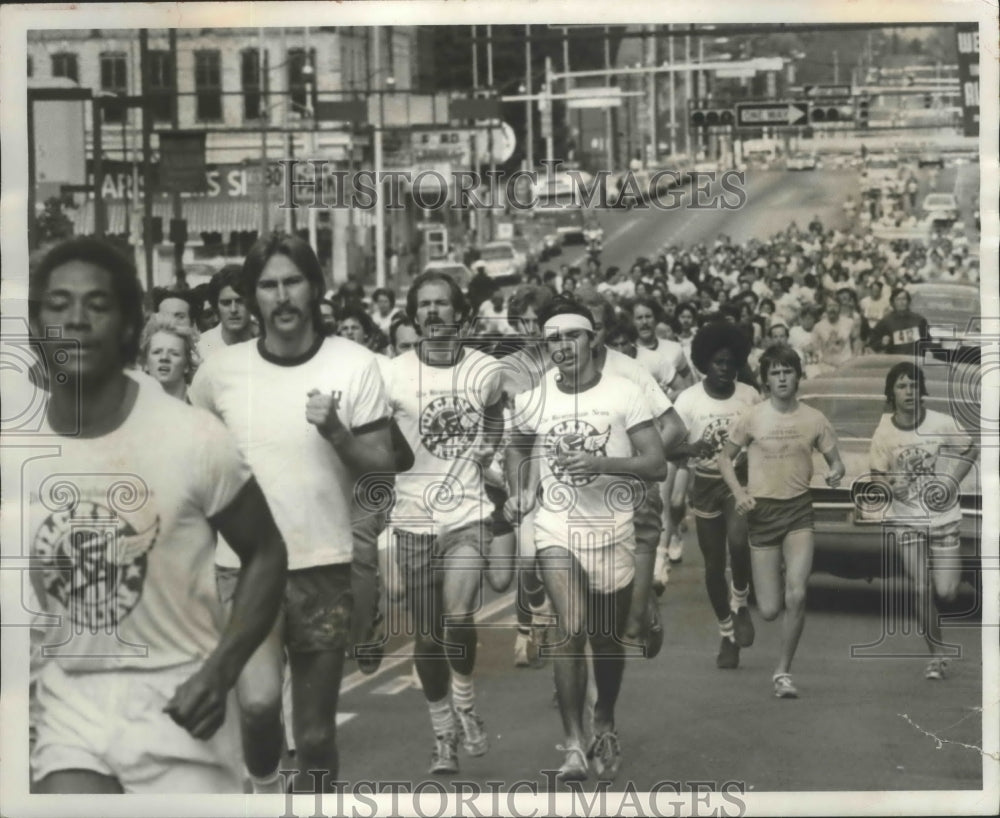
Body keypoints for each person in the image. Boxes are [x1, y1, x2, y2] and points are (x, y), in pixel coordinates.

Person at [22, 237, 287, 793]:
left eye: (97, 305)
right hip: (69, 703)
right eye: (58, 304)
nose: (75, 320)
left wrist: (221, 671)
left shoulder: (191, 437)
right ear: (34, 323)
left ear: (127, 326)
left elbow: (266, 551)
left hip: (179, 703)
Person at [189, 233, 401, 793]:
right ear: (252, 297)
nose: (281, 296)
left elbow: (381, 467)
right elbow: (193, 471)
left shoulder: (354, 364)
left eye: (292, 282)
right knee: (258, 706)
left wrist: (337, 433)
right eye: (268, 285)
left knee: (313, 737)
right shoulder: (218, 375)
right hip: (246, 566)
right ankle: (263, 791)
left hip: (324, 563)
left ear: (313, 289)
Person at [505, 301, 668, 781]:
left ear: (592, 340)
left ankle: (605, 718)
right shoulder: (535, 398)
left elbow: (656, 463)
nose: (562, 348)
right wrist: (519, 489)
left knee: (607, 640)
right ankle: (574, 743)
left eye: (571, 337)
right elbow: (516, 447)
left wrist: (603, 465)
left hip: (613, 530)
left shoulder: (624, 393)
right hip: (557, 527)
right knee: (570, 627)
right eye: (553, 339)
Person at [381, 270, 505, 774]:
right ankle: (443, 732)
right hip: (411, 519)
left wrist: (487, 448)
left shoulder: (484, 370)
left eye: (442, 304)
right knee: (429, 637)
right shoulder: (390, 375)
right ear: (415, 316)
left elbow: (496, 412)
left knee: (458, 617)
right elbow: (372, 439)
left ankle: (467, 701)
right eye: (424, 305)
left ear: (460, 315)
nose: (433, 312)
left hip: (467, 514)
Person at [718, 345, 845, 699]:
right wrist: (739, 493)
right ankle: (745, 598)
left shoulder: (814, 419)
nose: (782, 378)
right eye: (775, 372)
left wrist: (835, 472)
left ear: (798, 376)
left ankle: (783, 671)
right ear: (766, 381)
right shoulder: (752, 418)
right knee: (771, 609)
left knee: (798, 593)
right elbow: (725, 459)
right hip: (762, 514)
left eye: (788, 370)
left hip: (799, 511)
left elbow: (837, 461)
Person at [869, 362, 979, 680]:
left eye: (914, 385)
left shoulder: (941, 423)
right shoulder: (884, 432)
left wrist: (951, 483)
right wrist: (891, 485)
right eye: (902, 386)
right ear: (891, 393)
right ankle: (936, 655)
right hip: (906, 521)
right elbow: (876, 480)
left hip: (943, 517)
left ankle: (939, 644)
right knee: (920, 588)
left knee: (946, 592)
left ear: (922, 391)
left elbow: (970, 450)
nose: (909, 392)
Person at [673, 322, 760, 669]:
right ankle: (726, 634)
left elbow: (762, 434)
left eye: (730, 362)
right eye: (718, 362)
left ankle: (740, 603)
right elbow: (668, 446)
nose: (725, 369)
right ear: (703, 363)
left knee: (738, 543)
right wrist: (693, 447)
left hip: (739, 482)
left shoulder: (749, 395)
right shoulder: (688, 400)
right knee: (712, 565)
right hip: (706, 485)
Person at [199, 266, 256, 360]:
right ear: (216, 306)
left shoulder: (268, 340)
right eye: (226, 303)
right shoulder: (202, 346)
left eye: (240, 301)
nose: (233, 309)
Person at [139, 314, 199, 403]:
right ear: (145, 363)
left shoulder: (201, 403)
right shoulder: (134, 408)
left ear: (186, 364)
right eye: (157, 352)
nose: (164, 358)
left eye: (174, 353)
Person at [868, 288, 931, 356]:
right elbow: (872, 343)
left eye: (904, 299)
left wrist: (927, 351)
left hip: (913, 361)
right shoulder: (885, 321)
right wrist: (882, 343)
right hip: (894, 362)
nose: (901, 302)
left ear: (908, 301)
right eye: (898, 299)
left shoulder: (919, 320)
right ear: (892, 302)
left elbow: (927, 342)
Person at [812, 298, 857, 373]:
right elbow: (815, 348)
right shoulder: (818, 326)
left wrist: (855, 357)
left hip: (847, 365)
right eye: (829, 306)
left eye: (835, 306)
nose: (832, 309)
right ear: (825, 308)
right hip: (826, 366)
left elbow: (856, 341)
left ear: (840, 308)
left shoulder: (849, 322)